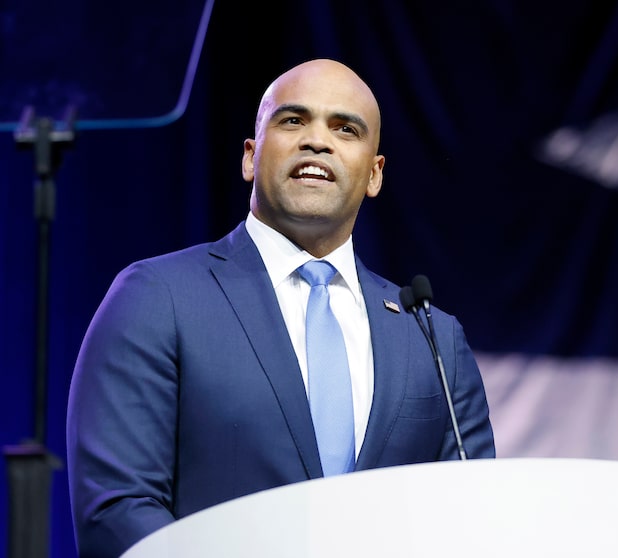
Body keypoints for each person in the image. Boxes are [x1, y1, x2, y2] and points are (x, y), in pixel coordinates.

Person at [65, 58, 496, 558]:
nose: (317, 140)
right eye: (292, 121)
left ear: (375, 174)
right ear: (251, 156)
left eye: (345, 128)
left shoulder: (433, 338)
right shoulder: (159, 297)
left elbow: (469, 522)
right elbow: (117, 508)